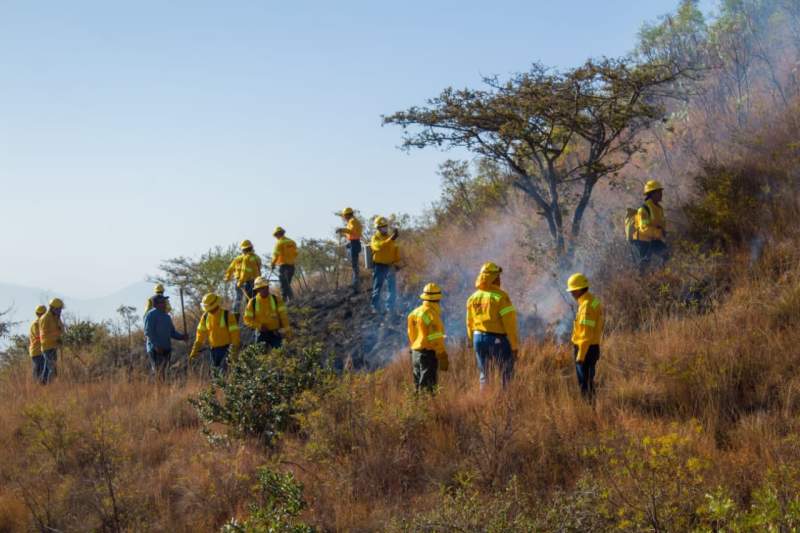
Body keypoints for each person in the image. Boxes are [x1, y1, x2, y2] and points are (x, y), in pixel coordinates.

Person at [466, 263, 519, 388]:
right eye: (498, 277)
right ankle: (506, 401)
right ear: (493, 279)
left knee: (485, 374)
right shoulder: (500, 297)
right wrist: (514, 345)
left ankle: (485, 401)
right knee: (506, 372)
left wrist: (470, 340)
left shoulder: (472, 298)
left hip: (477, 338)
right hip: (497, 340)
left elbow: (469, 322)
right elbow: (509, 324)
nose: (500, 280)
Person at [567, 273, 604, 401]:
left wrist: (580, 356)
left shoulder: (586, 306)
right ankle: (591, 409)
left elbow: (585, 335)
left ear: (578, 290)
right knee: (590, 382)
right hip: (593, 347)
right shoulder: (593, 301)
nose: (571, 294)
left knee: (584, 385)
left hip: (585, 350)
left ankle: (588, 412)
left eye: (572, 291)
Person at [407, 283, 448, 392]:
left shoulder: (414, 313)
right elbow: (435, 337)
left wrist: (413, 348)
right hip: (427, 354)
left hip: (415, 353)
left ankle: (416, 407)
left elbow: (411, 334)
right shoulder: (431, 315)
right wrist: (442, 354)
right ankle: (427, 408)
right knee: (427, 388)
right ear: (438, 299)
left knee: (417, 386)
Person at [189, 293, 240, 373]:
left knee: (225, 373)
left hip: (227, 350)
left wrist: (233, 350)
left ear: (216, 305)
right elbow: (200, 335)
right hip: (213, 351)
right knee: (215, 375)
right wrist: (195, 350)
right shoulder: (205, 317)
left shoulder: (227, 315)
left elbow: (235, 334)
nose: (209, 310)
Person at [143, 294, 188, 380]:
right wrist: (156, 346)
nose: (164, 303)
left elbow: (172, 332)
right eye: (162, 302)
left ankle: (164, 390)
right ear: (155, 304)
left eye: (164, 301)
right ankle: (158, 391)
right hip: (155, 350)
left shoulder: (167, 316)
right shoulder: (151, 315)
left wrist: (182, 337)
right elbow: (148, 332)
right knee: (158, 372)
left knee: (165, 372)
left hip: (166, 349)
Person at [243, 276, 290, 350]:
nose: (264, 290)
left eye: (265, 287)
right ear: (257, 290)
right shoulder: (252, 302)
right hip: (261, 334)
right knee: (260, 356)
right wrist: (259, 326)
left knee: (280, 353)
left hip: (275, 333)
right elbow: (247, 320)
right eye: (261, 288)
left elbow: (284, 317)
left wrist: (288, 332)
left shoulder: (276, 299)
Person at [632, 180, 668, 271]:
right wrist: (659, 233)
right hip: (642, 242)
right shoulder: (643, 209)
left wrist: (664, 232)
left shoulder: (659, 208)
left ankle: (662, 276)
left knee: (666, 254)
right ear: (652, 194)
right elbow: (644, 229)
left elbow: (661, 224)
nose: (661, 194)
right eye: (658, 192)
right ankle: (641, 282)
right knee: (644, 265)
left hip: (654, 240)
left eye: (661, 192)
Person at [370, 217, 400, 315]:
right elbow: (379, 247)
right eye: (382, 226)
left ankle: (390, 308)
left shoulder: (390, 238)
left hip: (390, 265)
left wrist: (396, 263)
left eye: (385, 226)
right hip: (379, 266)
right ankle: (375, 307)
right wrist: (391, 239)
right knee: (378, 287)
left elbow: (394, 250)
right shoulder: (375, 238)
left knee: (392, 288)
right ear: (377, 228)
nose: (384, 228)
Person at [225, 240, 262, 318]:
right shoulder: (241, 258)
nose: (246, 250)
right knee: (249, 300)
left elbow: (245, 272)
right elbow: (231, 268)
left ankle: (248, 317)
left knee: (245, 300)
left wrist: (239, 281)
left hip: (247, 282)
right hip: (249, 281)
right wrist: (227, 277)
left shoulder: (249, 258)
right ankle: (243, 316)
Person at [336, 207, 363, 291]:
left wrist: (341, 229)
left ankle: (356, 285)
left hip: (354, 244)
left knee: (355, 265)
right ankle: (355, 283)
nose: (344, 217)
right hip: (353, 243)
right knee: (353, 264)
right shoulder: (352, 221)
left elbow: (351, 231)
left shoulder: (353, 221)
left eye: (344, 215)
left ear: (347, 215)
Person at [38, 298, 65, 384]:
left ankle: (42, 384)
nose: (60, 311)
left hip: (54, 346)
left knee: (47, 368)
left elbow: (61, 329)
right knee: (52, 368)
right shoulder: (45, 318)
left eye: (61, 309)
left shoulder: (56, 317)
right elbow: (43, 334)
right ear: (53, 308)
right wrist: (56, 338)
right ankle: (50, 387)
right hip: (47, 347)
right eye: (59, 309)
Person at [271, 227, 298, 301]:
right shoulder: (292, 242)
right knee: (287, 284)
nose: (276, 237)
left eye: (276, 235)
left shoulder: (279, 243)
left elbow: (276, 255)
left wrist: (272, 264)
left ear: (278, 234)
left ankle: (288, 300)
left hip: (284, 266)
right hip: (292, 266)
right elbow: (296, 253)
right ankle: (288, 301)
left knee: (284, 285)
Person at [29, 305, 47, 382]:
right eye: (41, 314)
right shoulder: (35, 324)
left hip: (43, 350)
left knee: (44, 370)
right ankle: (36, 387)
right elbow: (38, 336)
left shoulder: (43, 323)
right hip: (36, 351)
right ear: (37, 314)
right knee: (38, 371)